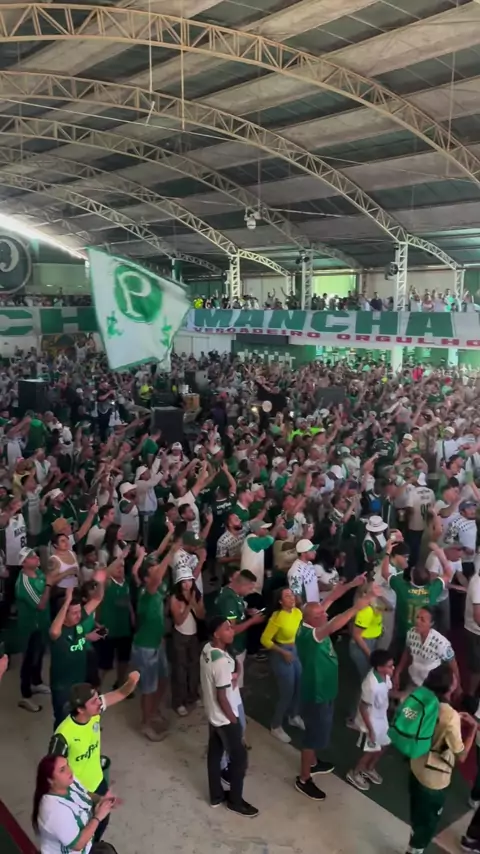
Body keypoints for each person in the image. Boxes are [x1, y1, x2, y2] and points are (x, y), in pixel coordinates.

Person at [294, 578, 375, 801]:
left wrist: (352, 585)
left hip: (325, 690)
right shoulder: (312, 634)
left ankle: (313, 762)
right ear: (312, 620)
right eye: (320, 614)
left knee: (317, 732)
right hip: (317, 693)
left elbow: (330, 597)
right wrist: (357, 607)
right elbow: (335, 624)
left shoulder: (311, 621)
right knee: (312, 737)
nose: (325, 614)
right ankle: (304, 779)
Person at [49, 675, 139, 841]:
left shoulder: (94, 712)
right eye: (94, 701)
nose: (99, 702)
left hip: (98, 782)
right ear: (80, 709)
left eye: (98, 698)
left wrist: (132, 681)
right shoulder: (63, 736)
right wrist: (91, 798)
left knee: (102, 823)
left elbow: (121, 693)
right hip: (78, 794)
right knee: (83, 834)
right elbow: (53, 776)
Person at [407, 665, 476, 854]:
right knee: (427, 822)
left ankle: (412, 840)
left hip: (416, 764)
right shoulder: (450, 716)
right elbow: (462, 755)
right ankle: (414, 850)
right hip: (434, 779)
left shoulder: (421, 698)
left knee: (416, 812)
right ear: (450, 686)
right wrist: (472, 729)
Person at [200, 615, 258, 817]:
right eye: (227, 628)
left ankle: (216, 796)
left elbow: (217, 680)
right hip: (225, 717)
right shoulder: (221, 663)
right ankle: (235, 801)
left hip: (212, 715)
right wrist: (235, 721)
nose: (232, 631)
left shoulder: (207, 650)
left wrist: (234, 673)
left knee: (215, 753)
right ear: (216, 634)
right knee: (240, 758)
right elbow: (222, 697)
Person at [49, 571, 106, 729]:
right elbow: (54, 632)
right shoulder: (57, 632)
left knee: (80, 720)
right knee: (63, 723)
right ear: (63, 614)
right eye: (73, 613)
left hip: (80, 684)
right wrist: (67, 601)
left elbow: (97, 598)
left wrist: (100, 582)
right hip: (63, 688)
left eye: (78, 611)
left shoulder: (78, 622)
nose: (78, 616)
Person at [131, 544, 176, 740]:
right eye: (154, 572)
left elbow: (139, 572)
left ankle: (153, 711)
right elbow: (153, 577)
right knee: (148, 688)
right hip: (146, 647)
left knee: (163, 680)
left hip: (158, 643)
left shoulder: (158, 589)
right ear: (147, 579)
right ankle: (146, 723)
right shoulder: (146, 593)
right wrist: (172, 552)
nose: (159, 574)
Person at [32, 754, 116, 854]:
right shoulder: (54, 811)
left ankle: (93, 840)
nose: (69, 770)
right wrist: (98, 817)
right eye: (62, 770)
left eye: (67, 764)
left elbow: (84, 793)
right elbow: (78, 844)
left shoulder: (69, 781)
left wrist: (100, 799)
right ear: (50, 781)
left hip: (86, 838)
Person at [345, 649, 394, 791]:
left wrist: (403, 695)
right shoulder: (371, 685)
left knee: (384, 745)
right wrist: (371, 730)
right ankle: (355, 773)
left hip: (381, 717)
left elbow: (388, 692)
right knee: (371, 750)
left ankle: (369, 768)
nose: (393, 668)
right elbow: (363, 707)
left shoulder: (385, 677)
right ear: (379, 668)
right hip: (371, 721)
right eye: (389, 666)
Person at [260, 586, 303, 743]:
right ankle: (276, 725)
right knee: (287, 691)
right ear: (280, 601)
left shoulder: (298, 612)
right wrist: (283, 652)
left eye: (292, 595)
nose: (292, 598)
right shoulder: (277, 617)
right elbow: (264, 640)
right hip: (281, 652)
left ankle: (293, 715)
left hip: (294, 650)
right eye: (287, 596)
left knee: (299, 684)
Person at [15, 546, 53, 712]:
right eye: (32, 557)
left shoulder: (37, 572)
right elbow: (41, 604)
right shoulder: (23, 583)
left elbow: (46, 583)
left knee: (39, 653)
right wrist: (49, 585)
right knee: (29, 659)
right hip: (30, 627)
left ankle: (36, 682)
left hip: (42, 623)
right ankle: (26, 695)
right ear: (23, 563)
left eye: (36, 555)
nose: (37, 558)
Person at [394, 606, 460, 694]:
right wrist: (398, 671)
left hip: (432, 683)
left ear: (431, 623)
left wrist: (458, 685)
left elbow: (452, 663)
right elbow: (407, 652)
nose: (417, 621)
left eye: (422, 620)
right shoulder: (411, 633)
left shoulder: (441, 642)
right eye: (417, 617)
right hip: (414, 678)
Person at [169, 566, 205, 716]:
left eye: (189, 580)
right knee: (180, 670)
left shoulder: (197, 594)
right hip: (180, 636)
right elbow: (179, 620)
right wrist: (188, 605)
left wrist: (194, 602)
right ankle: (179, 701)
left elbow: (202, 615)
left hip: (194, 636)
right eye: (183, 581)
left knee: (194, 667)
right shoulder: (174, 598)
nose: (187, 584)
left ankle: (193, 696)